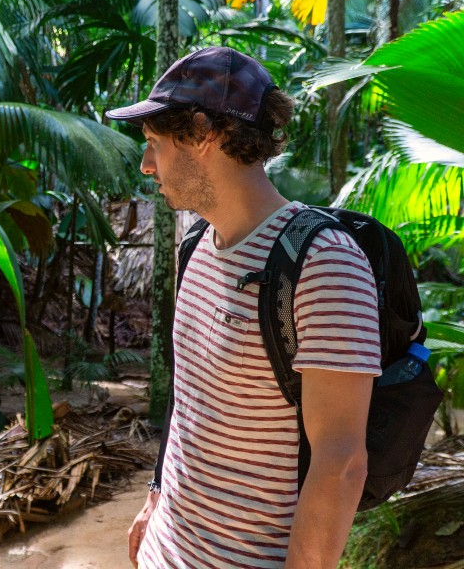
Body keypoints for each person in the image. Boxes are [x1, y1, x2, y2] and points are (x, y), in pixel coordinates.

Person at [106, 47, 381, 568]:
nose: (146, 166)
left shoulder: (323, 263)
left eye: (155, 145)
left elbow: (341, 463)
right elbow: (188, 401)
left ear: (203, 132)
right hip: (164, 549)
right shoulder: (196, 244)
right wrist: (154, 497)